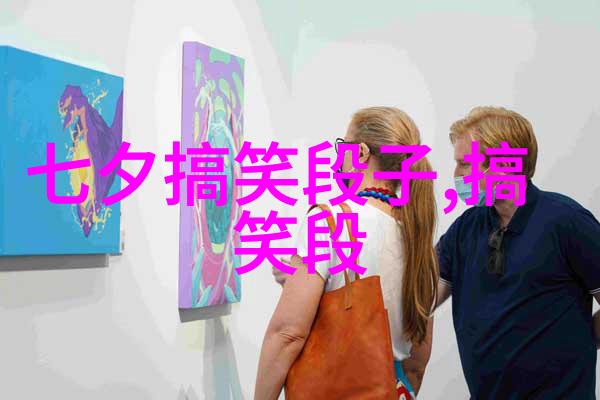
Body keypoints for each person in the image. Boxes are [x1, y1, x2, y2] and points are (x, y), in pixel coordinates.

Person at [255, 107, 439, 399]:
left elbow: (288, 333)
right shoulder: (419, 240)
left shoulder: (330, 220)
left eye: (342, 146)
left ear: (362, 152)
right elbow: (417, 362)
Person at [436, 106, 600, 399]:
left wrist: (581, 342)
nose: (456, 175)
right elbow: (421, 298)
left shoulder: (567, 222)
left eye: (465, 164)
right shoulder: (466, 228)